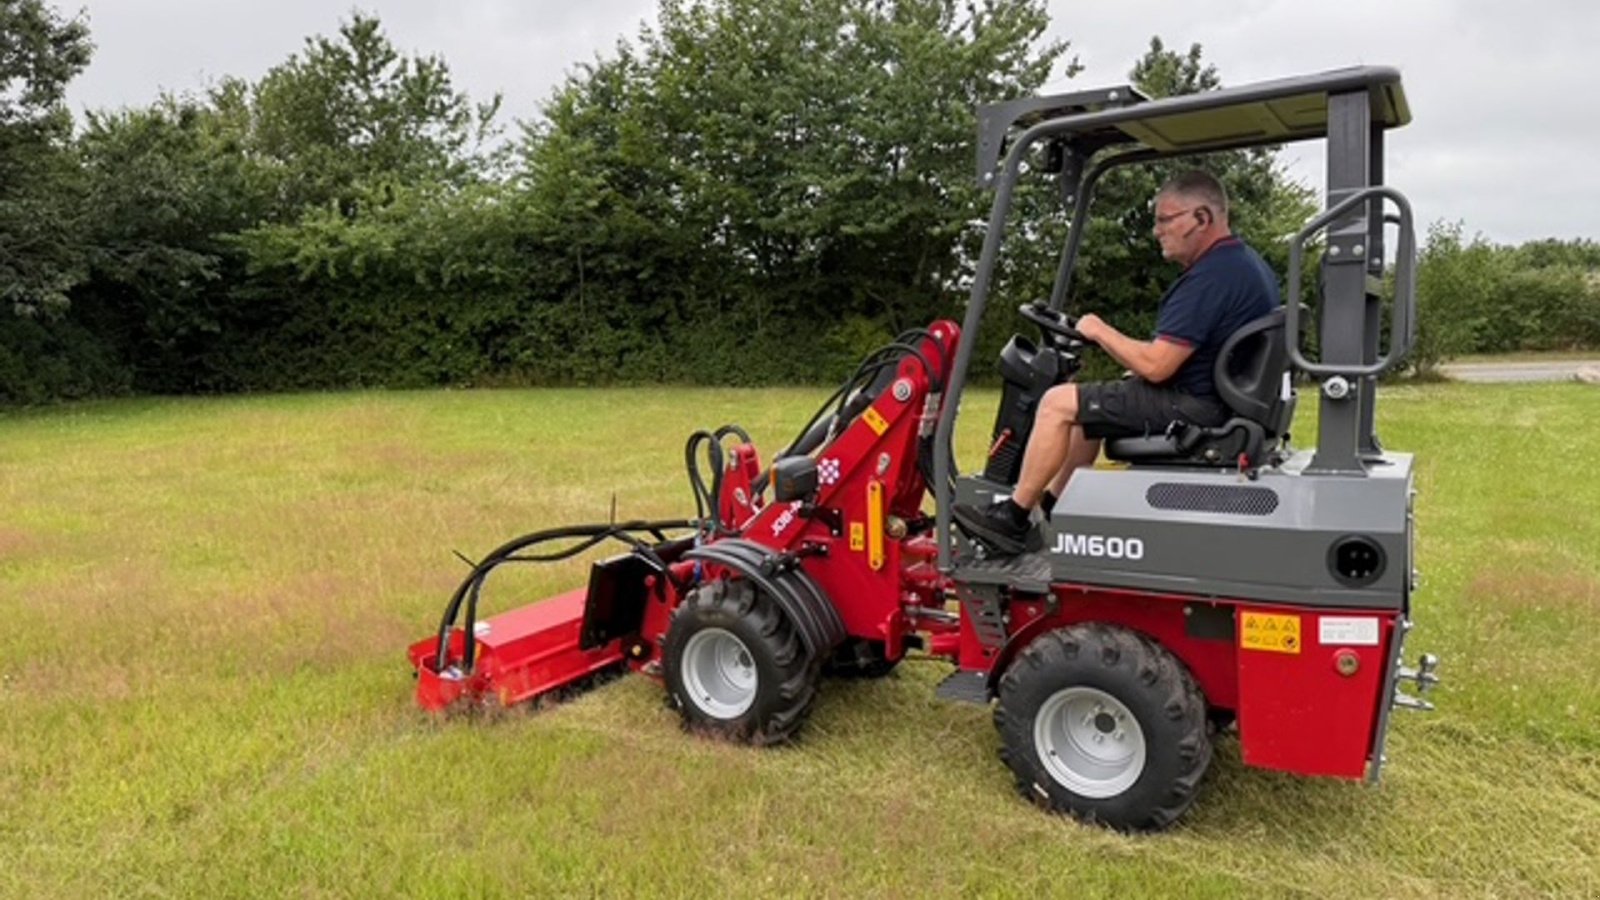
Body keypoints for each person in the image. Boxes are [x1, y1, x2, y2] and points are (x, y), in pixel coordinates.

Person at [954, 170, 1281, 556]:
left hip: (1196, 408)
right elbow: (1177, 356)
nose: (1157, 231)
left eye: (1164, 219)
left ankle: (1012, 518)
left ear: (1202, 218)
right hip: (1214, 399)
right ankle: (1054, 511)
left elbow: (1158, 365)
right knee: (1086, 412)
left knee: (1057, 403)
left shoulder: (1209, 278)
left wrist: (1099, 330)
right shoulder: (1243, 265)